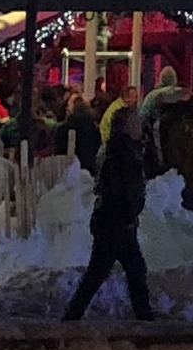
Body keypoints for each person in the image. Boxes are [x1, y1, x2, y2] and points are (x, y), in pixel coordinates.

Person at [62, 102, 156, 323]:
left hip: (114, 220)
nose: (139, 126)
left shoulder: (127, 149)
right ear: (125, 126)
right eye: (135, 122)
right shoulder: (121, 152)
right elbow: (119, 187)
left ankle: (73, 315)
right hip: (116, 221)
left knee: (104, 271)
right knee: (128, 270)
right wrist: (126, 214)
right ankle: (144, 317)